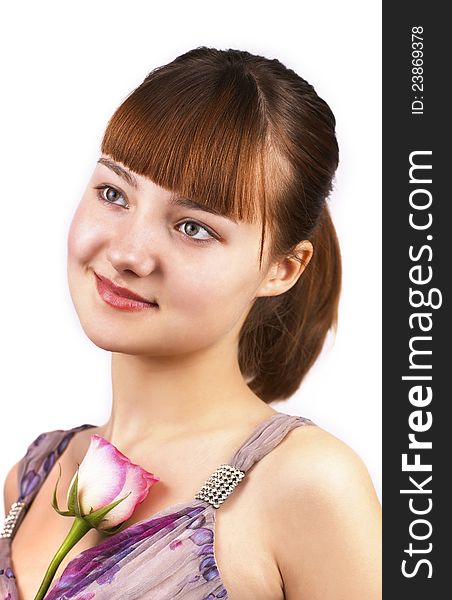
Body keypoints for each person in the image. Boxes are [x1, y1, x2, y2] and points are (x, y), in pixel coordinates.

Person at [1, 46, 381, 599]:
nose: (130, 252)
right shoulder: (34, 475)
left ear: (282, 268)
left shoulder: (307, 485)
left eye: (194, 228)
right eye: (114, 193)